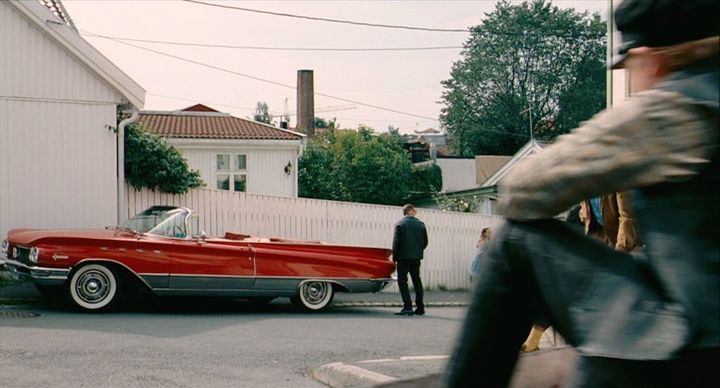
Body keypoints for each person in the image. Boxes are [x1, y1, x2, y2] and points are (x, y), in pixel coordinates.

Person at [443, 0, 719, 386]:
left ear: (649, 60)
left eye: (629, 70)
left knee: (516, 244)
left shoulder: (672, 109)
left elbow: (524, 191)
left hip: (688, 351)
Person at [392, 204, 429, 316]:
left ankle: (407, 306)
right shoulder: (421, 224)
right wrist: (418, 250)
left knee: (402, 281)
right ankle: (420, 307)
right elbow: (425, 242)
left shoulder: (400, 224)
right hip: (416, 257)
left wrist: (395, 257)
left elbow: (396, 242)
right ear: (411, 211)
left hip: (403, 257)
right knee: (417, 280)